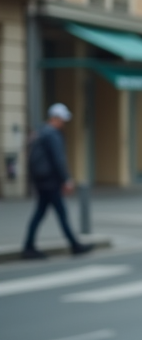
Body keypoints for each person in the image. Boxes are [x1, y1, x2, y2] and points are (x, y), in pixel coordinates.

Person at [21, 103, 93, 260]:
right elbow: (58, 159)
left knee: (41, 213)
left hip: (42, 180)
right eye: (62, 119)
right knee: (59, 214)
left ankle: (29, 246)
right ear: (56, 118)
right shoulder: (52, 134)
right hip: (50, 181)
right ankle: (74, 245)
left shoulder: (40, 132)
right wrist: (66, 179)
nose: (64, 123)